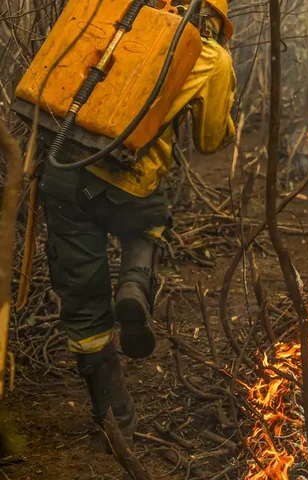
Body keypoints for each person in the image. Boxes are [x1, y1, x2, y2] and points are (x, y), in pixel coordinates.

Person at [38, 0, 236, 447]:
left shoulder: (106, 13)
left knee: (83, 301)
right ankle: (133, 282)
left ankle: (115, 417)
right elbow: (209, 140)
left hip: (64, 174)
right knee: (148, 220)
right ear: (215, 17)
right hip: (131, 183)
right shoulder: (209, 53)